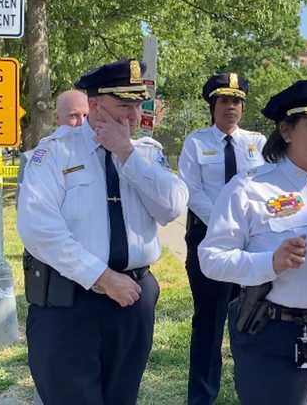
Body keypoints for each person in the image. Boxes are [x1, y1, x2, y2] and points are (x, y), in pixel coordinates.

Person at [17, 59, 188, 405]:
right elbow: (38, 229)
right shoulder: (54, 153)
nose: (134, 115)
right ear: (94, 106)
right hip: (70, 302)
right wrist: (101, 277)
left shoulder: (145, 154)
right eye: (124, 105)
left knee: (122, 397)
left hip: (132, 300)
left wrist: (126, 153)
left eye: (138, 105)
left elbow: (171, 207)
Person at [198, 76, 307, 405]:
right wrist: (269, 263)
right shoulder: (251, 188)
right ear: (286, 131)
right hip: (276, 337)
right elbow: (211, 258)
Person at [178, 72, 266, 405]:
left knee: (253, 322)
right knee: (209, 323)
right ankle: (202, 397)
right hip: (208, 241)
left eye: (237, 101)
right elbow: (191, 190)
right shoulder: (196, 142)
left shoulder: (257, 143)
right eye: (225, 101)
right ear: (213, 105)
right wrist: (226, 221)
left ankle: (254, 392)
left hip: (251, 244)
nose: (232, 107)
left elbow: (265, 188)